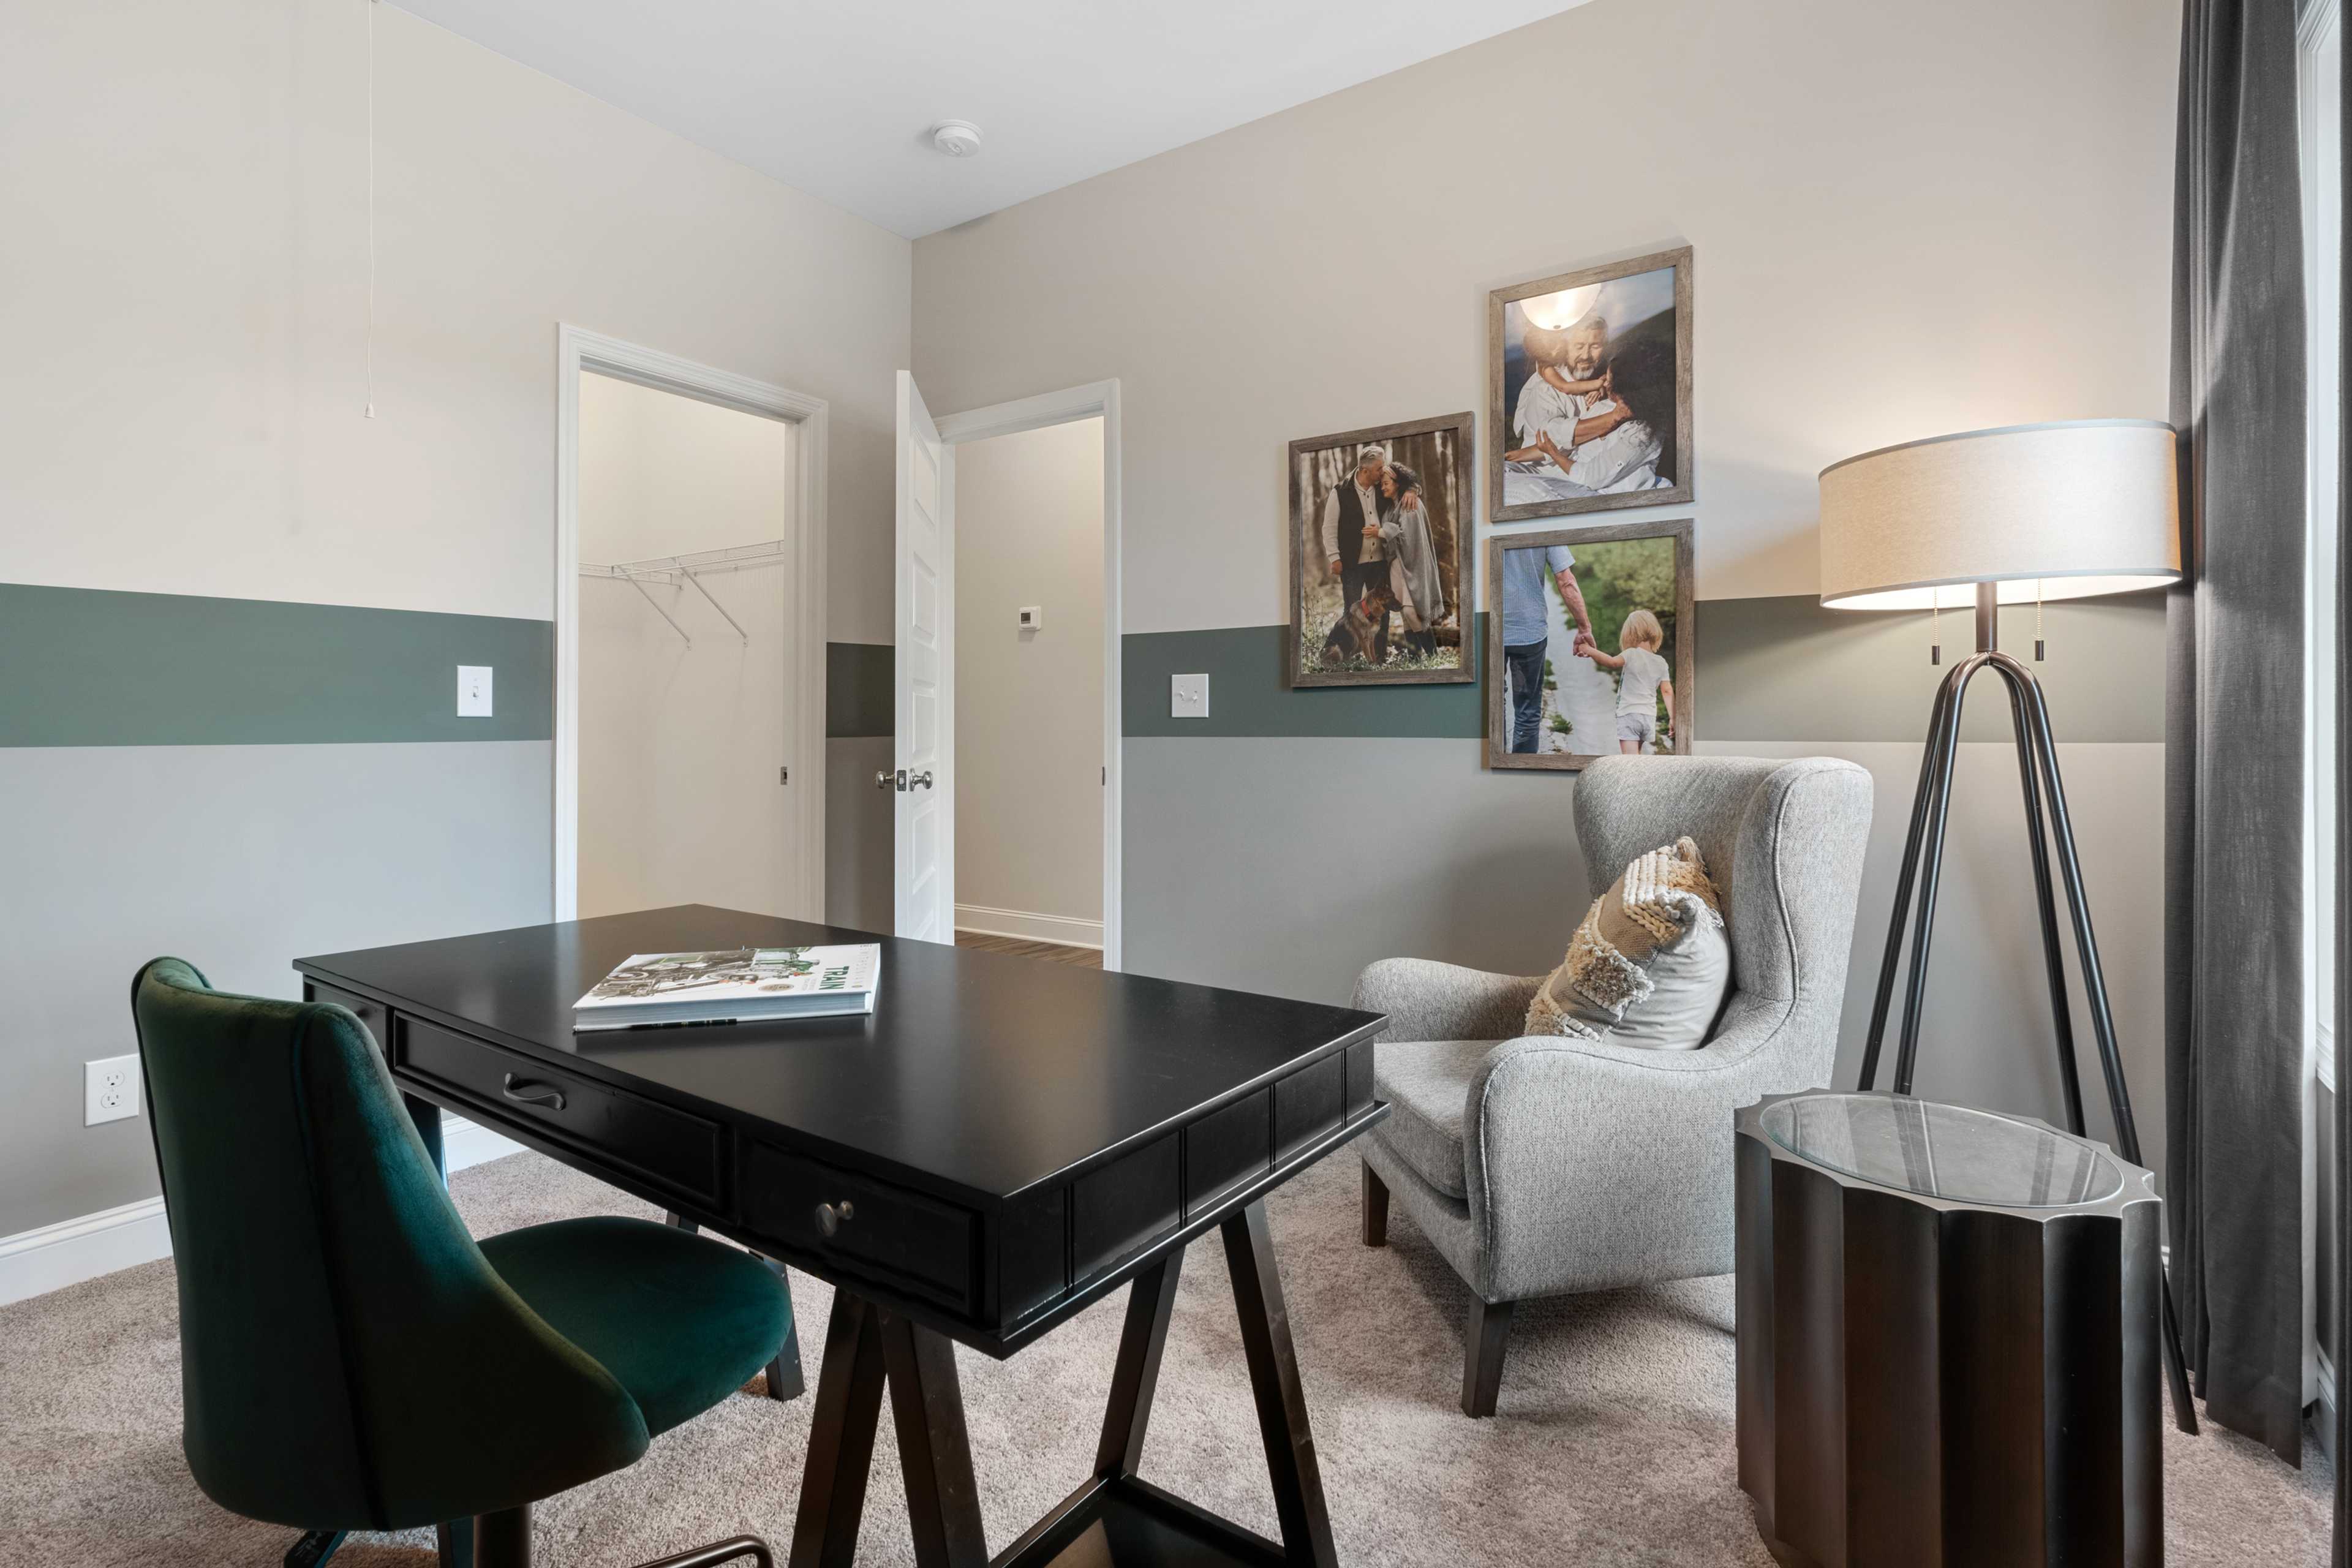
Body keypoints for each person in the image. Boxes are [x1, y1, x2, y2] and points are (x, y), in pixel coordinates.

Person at [1499, 541, 1592, 753]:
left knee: (1493, 705)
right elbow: (1566, 580)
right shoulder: (1543, 523)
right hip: (1530, 633)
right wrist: (1584, 627)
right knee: (1527, 710)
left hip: (1491, 630)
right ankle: (1521, 775)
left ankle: (1495, 774)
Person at [1575, 608, 1674, 753]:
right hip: (1648, 716)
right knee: (1636, 758)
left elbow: (1612, 662)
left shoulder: (1631, 654)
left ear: (1630, 633)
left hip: (1630, 714)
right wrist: (1673, 718)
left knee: (1630, 763)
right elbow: (1667, 690)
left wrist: (1589, 650)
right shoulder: (1661, 662)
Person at [1378, 462, 1445, 658]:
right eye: (1381, 484)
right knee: (1404, 614)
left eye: (1387, 483)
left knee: (1410, 612)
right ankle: (1415, 659)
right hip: (1397, 566)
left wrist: (1382, 532)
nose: (1383, 487)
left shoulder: (1409, 503)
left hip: (1412, 565)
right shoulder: (1391, 506)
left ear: (1398, 483)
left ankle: (1433, 655)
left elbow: (1409, 536)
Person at [1319, 445, 1390, 623]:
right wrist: (1334, 558)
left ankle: (1380, 652)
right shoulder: (1340, 492)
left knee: (1383, 610)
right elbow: (1329, 527)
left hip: (1381, 563)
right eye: (1379, 469)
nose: (1383, 472)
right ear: (1365, 471)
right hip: (1352, 565)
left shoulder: (1383, 487)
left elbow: (1407, 481)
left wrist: (1413, 491)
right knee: (1352, 611)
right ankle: (1353, 650)